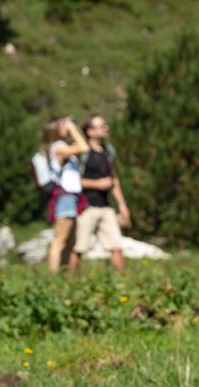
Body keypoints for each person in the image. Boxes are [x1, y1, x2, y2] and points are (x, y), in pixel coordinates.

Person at [71, 114, 131, 272]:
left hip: (106, 206)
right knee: (78, 247)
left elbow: (114, 179)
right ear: (89, 131)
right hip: (85, 207)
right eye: (101, 126)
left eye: (105, 125)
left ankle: (122, 281)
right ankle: (68, 280)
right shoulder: (81, 152)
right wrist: (97, 184)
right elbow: (71, 181)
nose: (106, 128)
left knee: (116, 245)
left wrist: (122, 205)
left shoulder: (108, 151)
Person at [39, 117, 90, 273]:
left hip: (72, 198)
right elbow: (84, 147)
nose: (67, 126)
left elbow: (82, 143)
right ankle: (53, 277)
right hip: (65, 197)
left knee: (69, 241)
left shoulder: (64, 147)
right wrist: (72, 128)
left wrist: (73, 128)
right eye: (63, 125)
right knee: (60, 240)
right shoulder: (58, 147)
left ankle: (65, 274)